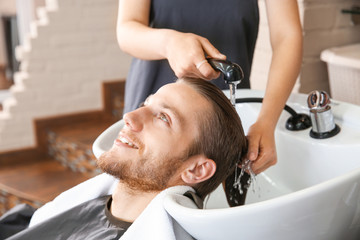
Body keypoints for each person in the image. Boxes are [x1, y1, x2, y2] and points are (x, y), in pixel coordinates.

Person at [1, 78, 247, 239]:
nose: (130, 116)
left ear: (196, 170)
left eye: (163, 117)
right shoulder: (67, 209)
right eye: (145, 104)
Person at [116, 0, 303, 174]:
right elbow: (126, 29)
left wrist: (266, 122)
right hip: (152, 99)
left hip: (221, 112)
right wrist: (168, 43)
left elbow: (287, 36)